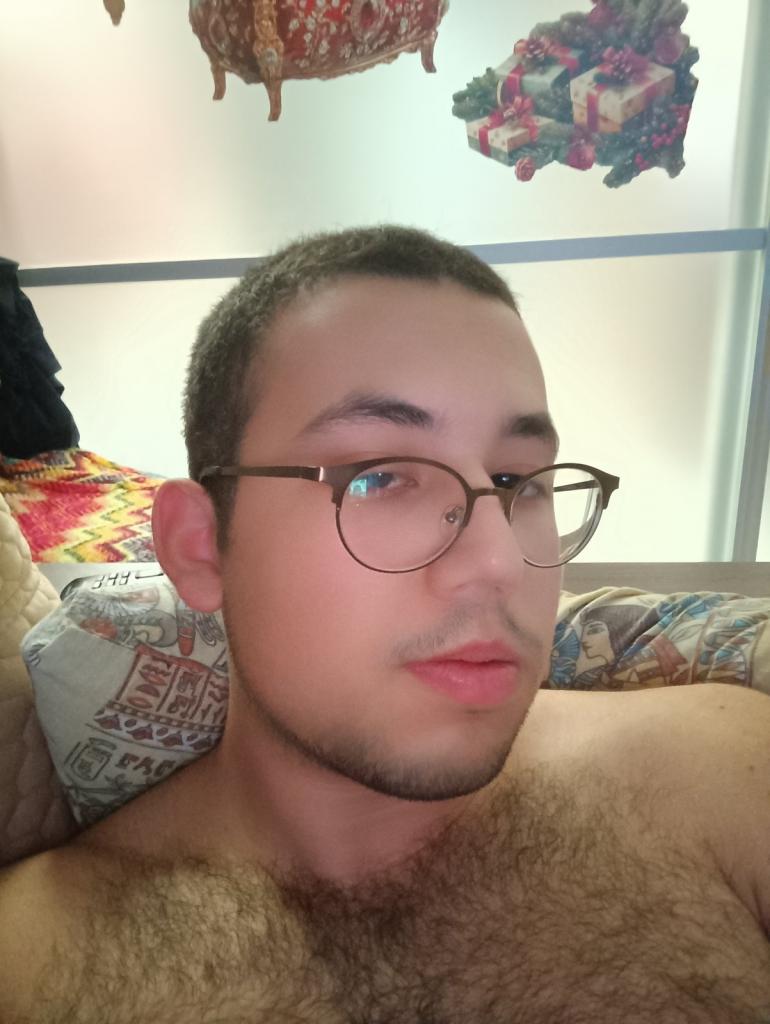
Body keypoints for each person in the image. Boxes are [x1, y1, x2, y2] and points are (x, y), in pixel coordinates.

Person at [1, 225, 769, 1022]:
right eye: (378, 478)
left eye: (519, 481)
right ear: (201, 547)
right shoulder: (33, 965)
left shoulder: (721, 778)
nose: (499, 560)